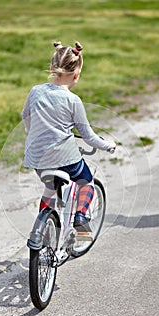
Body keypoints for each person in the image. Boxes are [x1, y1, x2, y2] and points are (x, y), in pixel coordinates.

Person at [21, 40, 116, 238]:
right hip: (65, 158)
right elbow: (88, 136)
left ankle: (44, 226)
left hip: (37, 158)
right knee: (86, 181)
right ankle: (81, 217)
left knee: (49, 188)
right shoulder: (73, 100)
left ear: (51, 68)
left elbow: (25, 116)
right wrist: (108, 145)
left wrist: (34, 133)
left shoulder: (35, 91)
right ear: (76, 74)